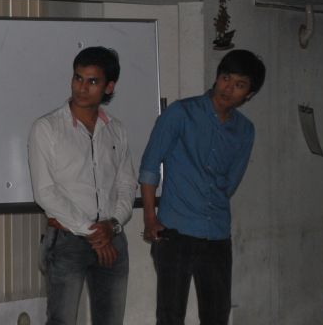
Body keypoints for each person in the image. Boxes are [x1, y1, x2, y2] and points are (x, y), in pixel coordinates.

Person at [139, 49, 266, 325]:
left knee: (217, 316)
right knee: (170, 317)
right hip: (174, 232)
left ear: (249, 95)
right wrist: (150, 218)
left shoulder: (245, 130)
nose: (228, 88)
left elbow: (230, 182)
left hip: (217, 234)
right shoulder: (180, 113)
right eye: (226, 78)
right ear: (217, 77)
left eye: (239, 85)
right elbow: (150, 165)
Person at [28, 46, 137, 325]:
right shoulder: (47, 128)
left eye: (92, 81)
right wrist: (92, 232)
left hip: (112, 239)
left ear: (108, 87)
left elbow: (126, 184)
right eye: (78, 78)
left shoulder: (116, 130)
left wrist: (112, 226)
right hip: (67, 241)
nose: (82, 87)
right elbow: (45, 192)